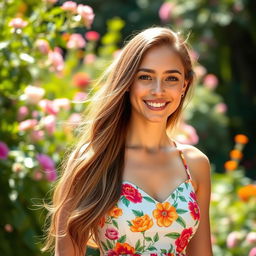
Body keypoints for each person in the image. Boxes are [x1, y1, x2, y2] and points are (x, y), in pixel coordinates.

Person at [41, 26, 213, 256]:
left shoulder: (195, 165)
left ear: (184, 85)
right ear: (128, 82)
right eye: (145, 77)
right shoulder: (92, 160)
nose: (158, 90)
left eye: (171, 78)